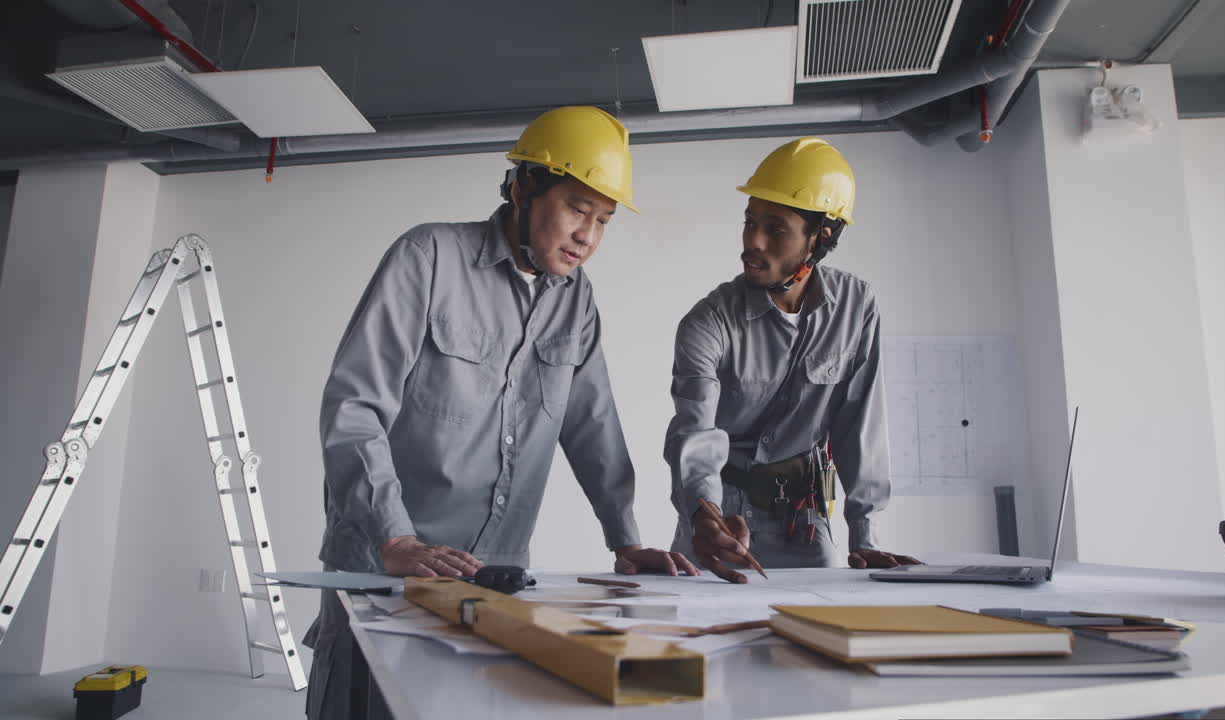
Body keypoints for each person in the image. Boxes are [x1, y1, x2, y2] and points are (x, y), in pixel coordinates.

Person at [304, 106, 696, 719]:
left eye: (602, 220)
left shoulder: (577, 301)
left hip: (493, 577)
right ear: (523, 189)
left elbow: (592, 424)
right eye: (576, 209)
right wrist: (394, 535)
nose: (587, 236)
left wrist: (626, 540)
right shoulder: (428, 257)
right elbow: (355, 408)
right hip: (384, 569)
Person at [665, 137, 921, 583]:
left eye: (776, 227)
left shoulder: (857, 307)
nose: (754, 241)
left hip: (804, 523)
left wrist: (865, 537)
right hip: (719, 524)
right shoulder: (707, 322)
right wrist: (705, 517)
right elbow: (696, 435)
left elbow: (859, 425)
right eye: (749, 222)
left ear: (821, 236)